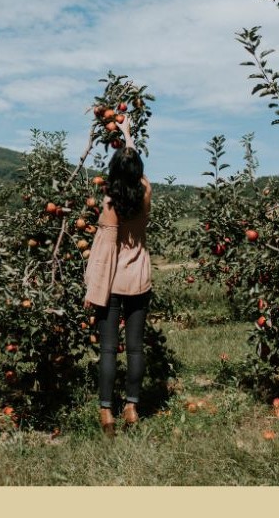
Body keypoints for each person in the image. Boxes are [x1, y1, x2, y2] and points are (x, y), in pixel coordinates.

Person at [83, 115, 152, 437]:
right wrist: (129, 138)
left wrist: (93, 290)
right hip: (139, 279)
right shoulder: (146, 192)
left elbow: (104, 254)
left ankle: (107, 412)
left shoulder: (110, 204)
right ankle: (132, 406)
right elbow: (132, 168)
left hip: (112, 284)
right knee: (135, 348)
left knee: (109, 350)